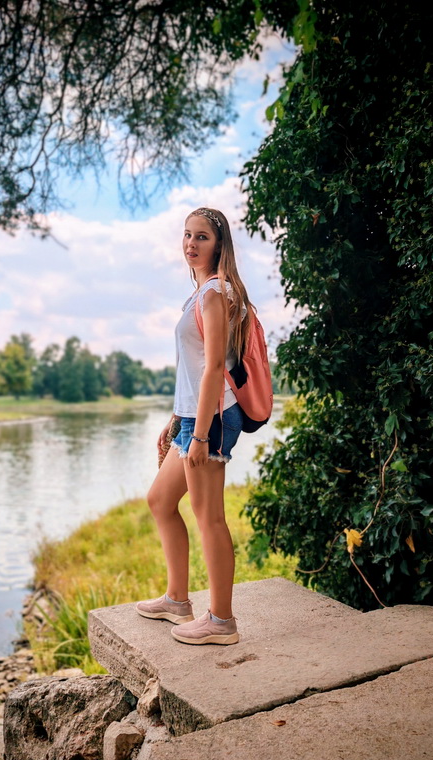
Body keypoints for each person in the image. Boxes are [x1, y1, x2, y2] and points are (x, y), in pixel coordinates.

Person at [136, 206, 253, 646]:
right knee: (160, 500)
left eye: (201, 236)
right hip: (192, 416)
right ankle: (177, 600)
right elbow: (192, 366)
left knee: (210, 518)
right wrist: (177, 419)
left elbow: (214, 369)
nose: (191, 243)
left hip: (213, 418)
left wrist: (200, 434)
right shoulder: (201, 292)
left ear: (219, 244)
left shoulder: (216, 292)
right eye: (187, 234)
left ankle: (221, 621)